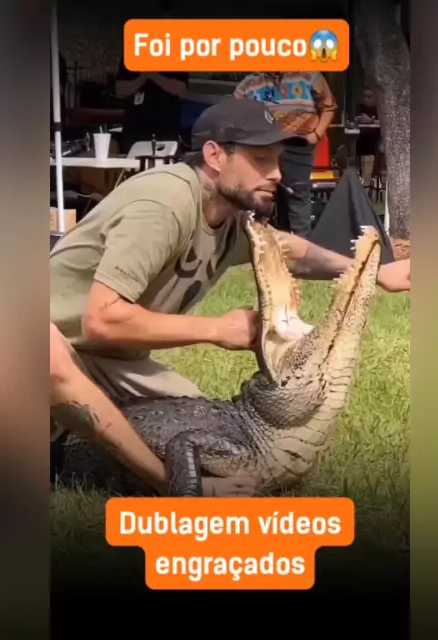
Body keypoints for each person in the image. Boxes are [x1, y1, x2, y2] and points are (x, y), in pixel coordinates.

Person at [50, 97, 410, 497]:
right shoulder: (165, 203)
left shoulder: (227, 217)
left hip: (103, 359)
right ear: (215, 156)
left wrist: (375, 273)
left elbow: (289, 251)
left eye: (277, 160)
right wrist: (217, 329)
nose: (277, 174)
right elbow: (102, 319)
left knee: (197, 421)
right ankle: (177, 488)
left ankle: (63, 436)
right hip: (46, 348)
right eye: (261, 159)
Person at [234, 71, 337, 240]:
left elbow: (329, 106)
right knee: (260, 194)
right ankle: (260, 242)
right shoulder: (250, 81)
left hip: (298, 144)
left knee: (297, 195)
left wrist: (316, 135)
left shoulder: (309, 74)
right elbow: (233, 112)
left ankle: (302, 246)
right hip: (263, 146)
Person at [115, 59, 188, 154]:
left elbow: (181, 89)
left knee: (164, 160)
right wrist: (143, 77)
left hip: (166, 129)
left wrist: (153, 74)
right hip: (135, 129)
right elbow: (120, 90)